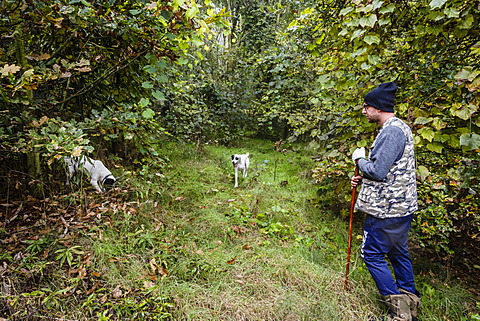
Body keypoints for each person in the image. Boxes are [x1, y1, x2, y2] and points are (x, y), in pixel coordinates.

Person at [351, 82, 421, 321]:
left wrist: (360, 161)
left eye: (366, 107)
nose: (364, 111)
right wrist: (363, 177)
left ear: (378, 108)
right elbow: (391, 172)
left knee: (371, 255)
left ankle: (400, 313)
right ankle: (410, 302)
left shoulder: (391, 131)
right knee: (398, 253)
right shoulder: (400, 128)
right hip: (400, 207)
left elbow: (379, 170)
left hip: (387, 210)